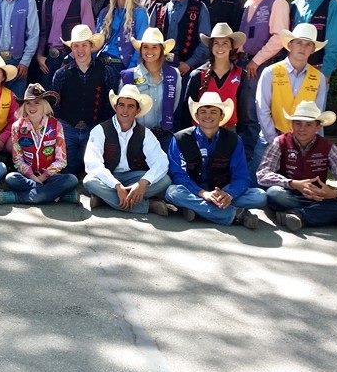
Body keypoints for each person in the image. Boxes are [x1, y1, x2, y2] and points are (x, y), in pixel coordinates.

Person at [257, 101, 337, 231]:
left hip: (322, 197)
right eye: (298, 123)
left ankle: (299, 215)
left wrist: (335, 193)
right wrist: (293, 183)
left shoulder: (327, 146)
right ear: (292, 124)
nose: (302, 129)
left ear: (318, 127)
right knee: (274, 194)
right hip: (290, 195)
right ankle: (336, 215)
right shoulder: (280, 142)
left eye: (308, 124)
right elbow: (262, 173)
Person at [166, 92, 266, 228]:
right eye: (203, 112)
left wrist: (229, 194)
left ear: (221, 116)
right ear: (196, 116)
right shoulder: (180, 138)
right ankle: (235, 214)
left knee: (259, 196)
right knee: (173, 192)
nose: (208, 116)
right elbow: (178, 175)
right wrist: (203, 193)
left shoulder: (234, 140)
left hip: (222, 191)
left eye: (213, 112)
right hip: (193, 190)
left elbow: (242, 177)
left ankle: (197, 209)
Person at [82, 84, 171, 216]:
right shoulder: (100, 130)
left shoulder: (145, 133)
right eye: (121, 105)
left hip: (133, 177)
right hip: (108, 176)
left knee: (165, 180)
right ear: (115, 107)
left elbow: (161, 162)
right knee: (89, 181)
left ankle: (105, 199)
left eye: (131, 106)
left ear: (137, 110)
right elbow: (93, 164)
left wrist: (142, 183)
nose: (125, 110)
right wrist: (116, 186)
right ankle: (148, 206)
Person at [237, 0, 290, 170]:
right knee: (245, 113)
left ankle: (256, 165)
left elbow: (280, 37)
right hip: (245, 63)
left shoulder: (277, 2)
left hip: (261, 66)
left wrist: (256, 61)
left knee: (255, 115)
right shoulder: (249, 1)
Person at [0, 84, 78, 205]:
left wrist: (44, 176)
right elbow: (17, 159)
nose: (32, 107)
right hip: (29, 178)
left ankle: (17, 197)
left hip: (50, 177)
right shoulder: (17, 127)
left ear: (44, 105)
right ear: (24, 106)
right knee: (11, 178)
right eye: (28, 103)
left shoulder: (56, 125)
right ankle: (58, 195)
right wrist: (34, 178)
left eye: (37, 102)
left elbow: (62, 160)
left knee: (72, 180)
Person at [255, 23, 329, 162]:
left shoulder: (319, 78)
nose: (303, 47)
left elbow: (317, 115)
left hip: (303, 144)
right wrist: (275, 141)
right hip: (269, 140)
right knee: (258, 182)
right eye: (299, 42)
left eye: (308, 44)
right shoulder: (270, 72)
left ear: (313, 49)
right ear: (290, 45)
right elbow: (262, 109)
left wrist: (316, 145)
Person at [51, 25, 117, 176]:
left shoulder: (107, 72)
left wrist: (102, 129)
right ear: (71, 48)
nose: (80, 50)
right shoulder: (61, 74)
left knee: (93, 170)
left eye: (84, 45)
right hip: (68, 128)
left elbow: (109, 104)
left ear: (91, 46)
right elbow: (55, 105)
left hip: (94, 128)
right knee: (67, 170)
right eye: (76, 46)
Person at [35, 0, 95, 88]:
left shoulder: (82, 0)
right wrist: (39, 56)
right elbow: (43, 32)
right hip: (49, 59)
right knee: (48, 99)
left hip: (72, 59)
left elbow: (88, 34)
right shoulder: (48, 1)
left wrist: (73, 57)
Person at [181, 23, 251, 135]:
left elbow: (243, 112)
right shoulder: (197, 75)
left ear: (231, 47)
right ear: (211, 47)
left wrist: (240, 137)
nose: (220, 47)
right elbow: (186, 111)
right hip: (200, 132)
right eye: (216, 43)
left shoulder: (241, 75)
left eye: (225, 43)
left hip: (229, 133)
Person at [120, 28, 181, 150]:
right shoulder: (128, 76)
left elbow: (174, 103)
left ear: (161, 50)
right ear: (141, 49)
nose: (149, 51)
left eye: (154, 47)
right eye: (145, 47)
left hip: (165, 135)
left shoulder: (174, 74)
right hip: (137, 136)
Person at [150, 0, 211, 74]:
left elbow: (205, 41)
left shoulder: (199, 8)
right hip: (159, 67)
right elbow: (149, 39)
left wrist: (189, 63)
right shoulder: (159, 7)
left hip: (187, 68)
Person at [96, 0, 148, 77]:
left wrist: (131, 69)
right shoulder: (105, 12)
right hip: (100, 61)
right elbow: (95, 40)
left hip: (121, 64)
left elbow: (141, 44)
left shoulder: (139, 12)